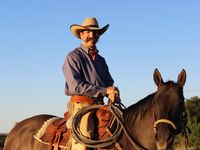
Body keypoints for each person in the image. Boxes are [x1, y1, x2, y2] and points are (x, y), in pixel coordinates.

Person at [62, 17, 119, 150]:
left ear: (98, 35)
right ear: (81, 34)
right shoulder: (73, 57)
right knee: (84, 141)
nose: (91, 35)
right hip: (82, 105)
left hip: (99, 104)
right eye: (88, 32)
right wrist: (105, 91)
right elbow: (75, 86)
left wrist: (114, 94)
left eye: (95, 32)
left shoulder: (101, 61)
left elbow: (109, 83)